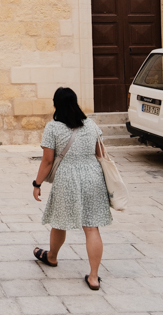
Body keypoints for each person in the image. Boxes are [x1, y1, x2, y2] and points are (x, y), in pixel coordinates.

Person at [32, 87, 111, 290]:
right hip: (93, 176)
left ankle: (52, 257)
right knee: (92, 227)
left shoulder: (53, 128)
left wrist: (37, 184)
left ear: (56, 104)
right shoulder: (91, 125)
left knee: (59, 221)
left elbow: (48, 161)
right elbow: (100, 152)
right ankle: (94, 277)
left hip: (67, 177)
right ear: (76, 103)